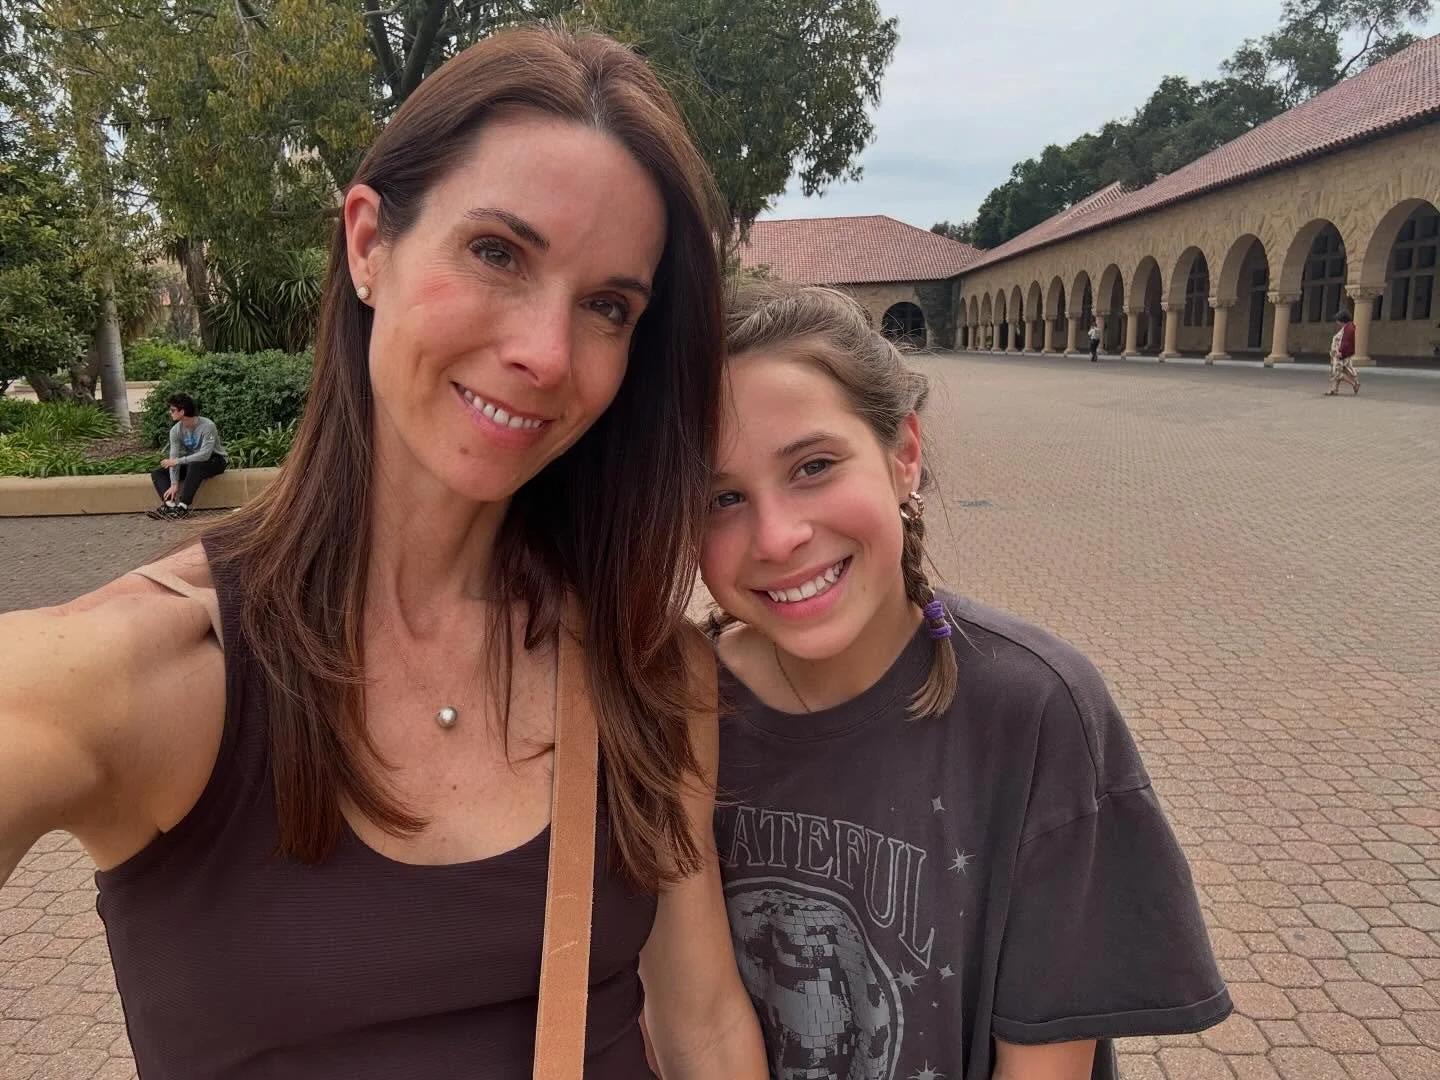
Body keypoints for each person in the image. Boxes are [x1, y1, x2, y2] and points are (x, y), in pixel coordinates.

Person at [0, 28, 766, 1079]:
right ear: (368, 244)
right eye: (497, 253)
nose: (547, 354)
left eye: (607, 307)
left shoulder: (648, 670)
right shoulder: (132, 673)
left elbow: (700, 1025)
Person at [701, 281, 1231, 1080]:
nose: (776, 537)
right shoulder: (676, 713)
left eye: (813, 466)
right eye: (721, 497)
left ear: (904, 455)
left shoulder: (1034, 711)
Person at [148, 392, 228, 519]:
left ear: (182, 412)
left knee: (194, 466)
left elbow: (205, 455)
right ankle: (170, 506)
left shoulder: (208, 426)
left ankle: (183, 507)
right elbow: (173, 458)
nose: (170, 412)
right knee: (158, 473)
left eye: (173, 410)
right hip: (192, 463)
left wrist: (177, 461)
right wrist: (174, 483)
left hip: (215, 460)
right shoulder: (175, 431)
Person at [1327, 309, 1361, 395]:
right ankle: (1334, 389)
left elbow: (1346, 342)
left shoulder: (1348, 328)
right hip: (1339, 353)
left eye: (1338, 320)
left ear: (1342, 320)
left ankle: (1354, 384)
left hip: (1341, 354)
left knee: (1337, 373)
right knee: (1339, 371)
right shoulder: (1346, 328)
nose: (1337, 322)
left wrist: (1340, 351)